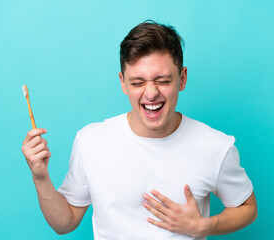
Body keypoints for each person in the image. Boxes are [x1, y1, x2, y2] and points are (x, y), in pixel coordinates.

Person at [21, 21, 257, 239]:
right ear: (123, 82)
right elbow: (64, 223)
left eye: (162, 80)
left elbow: (248, 208)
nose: (151, 93)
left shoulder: (215, 145)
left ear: (182, 78)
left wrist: (203, 226)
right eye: (138, 82)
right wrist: (40, 177)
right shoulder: (90, 141)